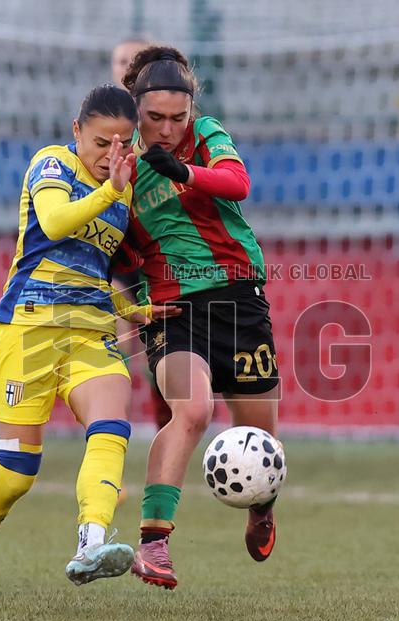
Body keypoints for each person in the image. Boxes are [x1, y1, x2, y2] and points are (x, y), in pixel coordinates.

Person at [0, 85, 179, 608]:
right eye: (101, 142)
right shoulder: (51, 164)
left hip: (91, 329)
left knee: (112, 422)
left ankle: (93, 542)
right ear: (76, 131)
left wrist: (132, 310)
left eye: (124, 144)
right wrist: (109, 192)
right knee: (15, 474)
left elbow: (92, 270)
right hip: (27, 328)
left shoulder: (121, 188)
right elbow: (55, 225)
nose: (112, 154)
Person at [120, 46, 280, 589]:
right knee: (192, 410)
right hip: (171, 305)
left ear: (191, 113)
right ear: (135, 109)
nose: (166, 129)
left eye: (177, 118)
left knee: (262, 439)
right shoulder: (118, 164)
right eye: (154, 118)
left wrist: (184, 170)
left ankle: (261, 504)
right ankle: (154, 544)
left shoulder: (206, 135)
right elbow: (113, 248)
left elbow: (238, 184)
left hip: (240, 299)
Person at [110, 36, 174, 430]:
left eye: (132, 60)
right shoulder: (103, 122)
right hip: (116, 254)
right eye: (118, 60)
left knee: (163, 359)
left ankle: (167, 433)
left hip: (158, 256)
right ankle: (109, 438)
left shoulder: (162, 122)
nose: (124, 67)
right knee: (116, 347)